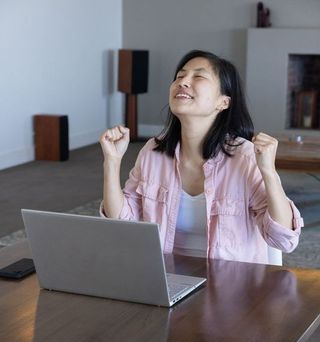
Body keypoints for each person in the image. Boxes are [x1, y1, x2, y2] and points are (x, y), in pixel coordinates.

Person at [99, 49, 303, 264]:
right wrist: (112, 162)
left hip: (231, 285)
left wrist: (269, 172)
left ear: (223, 102)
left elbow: (284, 241)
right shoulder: (153, 152)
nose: (183, 81)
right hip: (166, 279)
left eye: (198, 76)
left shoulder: (245, 156)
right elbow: (121, 224)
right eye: (179, 76)